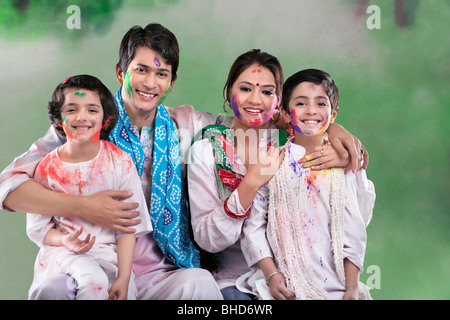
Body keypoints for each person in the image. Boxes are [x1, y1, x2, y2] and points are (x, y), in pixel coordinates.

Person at [0, 23, 365, 299]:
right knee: (53, 289)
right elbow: (10, 188)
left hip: (160, 270)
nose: (150, 82)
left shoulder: (185, 125)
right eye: (141, 69)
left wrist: (335, 132)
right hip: (91, 258)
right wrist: (86, 207)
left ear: (171, 82)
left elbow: (259, 118)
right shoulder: (85, 123)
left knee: (201, 286)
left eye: (161, 73)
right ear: (120, 72)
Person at [187, 51, 364, 300]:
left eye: (267, 92)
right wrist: (251, 182)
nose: (256, 100)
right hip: (236, 279)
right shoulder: (206, 151)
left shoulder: (291, 145)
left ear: (279, 102)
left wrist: (337, 138)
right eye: (246, 88)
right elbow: (209, 240)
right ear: (229, 94)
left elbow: (348, 212)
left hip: (305, 273)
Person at [237, 69, 376, 300]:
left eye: (321, 103)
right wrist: (271, 275)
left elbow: (354, 231)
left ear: (333, 114)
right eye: (301, 103)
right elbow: (253, 226)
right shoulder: (272, 160)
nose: (311, 110)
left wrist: (352, 289)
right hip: (285, 286)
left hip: (338, 286)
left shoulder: (344, 165)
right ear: (284, 111)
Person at [26, 75, 153, 300]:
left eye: (92, 110)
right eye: (72, 110)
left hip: (112, 257)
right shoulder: (47, 168)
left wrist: (125, 277)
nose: (82, 117)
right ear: (58, 120)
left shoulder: (120, 162)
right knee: (94, 281)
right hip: (65, 253)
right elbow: (38, 229)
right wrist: (65, 240)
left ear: (105, 118)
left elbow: (127, 228)